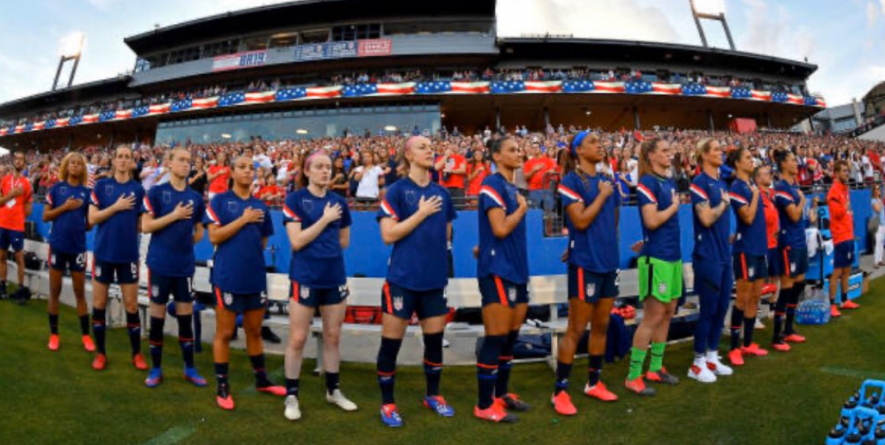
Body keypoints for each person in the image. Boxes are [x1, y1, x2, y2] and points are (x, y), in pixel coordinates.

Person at [375, 136, 457, 427]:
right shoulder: (396, 191)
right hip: (402, 280)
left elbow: (447, 235)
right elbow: (388, 235)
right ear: (408, 155)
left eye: (431, 147)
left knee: (434, 344)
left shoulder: (443, 194)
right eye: (422, 147)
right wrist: (421, 214)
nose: (429, 150)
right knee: (391, 345)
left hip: (434, 282)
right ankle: (388, 404)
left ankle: (433, 396)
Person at [204, 155, 285, 410]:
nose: (248, 172)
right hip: (227, 277)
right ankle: (222, 385)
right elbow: (214, 237)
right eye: (242, 167)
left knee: (254, 331)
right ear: (231, 171)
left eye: (251, 168)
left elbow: (261, 243)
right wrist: (243, 220)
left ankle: (261, 379)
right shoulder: (220, 201)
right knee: (226, 333)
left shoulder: (260, 206)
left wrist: (249, 221)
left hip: (254, 277)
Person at [282, 149, 357, 421]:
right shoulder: (296, 199)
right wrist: (324, 220)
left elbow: (344, 241)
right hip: (305, 276)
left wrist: (325, 245)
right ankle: (291, 396)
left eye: (328, 167)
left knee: (333, 336)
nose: (326, 171)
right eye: (320, 167)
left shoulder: (339, 201)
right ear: (307, 171)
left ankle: (333, 390)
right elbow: (297, 241)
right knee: (298, 338)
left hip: (334, 276)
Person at [551, 131, 620, 416]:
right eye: (592, 142)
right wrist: (602, 196)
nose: (599, 144)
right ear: (578, 151)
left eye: (600, 141)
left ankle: (594, 382)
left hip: (607, 261)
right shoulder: (570, 182)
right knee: (576, 329)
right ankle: (560, 391)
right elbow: (578, 221)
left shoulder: (608, 181)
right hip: (585, 263)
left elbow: (612, 220)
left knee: (601, 326)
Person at [141, 148, 208, 388]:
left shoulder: (196, 197)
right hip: (159, 263)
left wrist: (187, 241)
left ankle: (189, 368)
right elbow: (146, 226)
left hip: (184, 266)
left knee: (185, 319)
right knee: (157, 318)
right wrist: (175, 215)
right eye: (181, 160)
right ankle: (156, 368)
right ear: (168, 164)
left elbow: (200, 229)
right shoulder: (157, 192)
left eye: (188, 161)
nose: (185, 164)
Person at [474, 136, 530, 423]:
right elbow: (499, 229)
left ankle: (500, 394)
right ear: (496, 156)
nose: (518, 153)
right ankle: (484, 404)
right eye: (511, 149)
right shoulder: (492, 184)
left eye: (519, 149)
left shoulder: (511, 187)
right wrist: (521, 209)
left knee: (510, 339)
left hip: (518, 271)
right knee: (495, 338)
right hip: (498, 272)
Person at [626, 138, 681, 396]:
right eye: (665, 151)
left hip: (673, 256)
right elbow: (651, 220)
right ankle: (633, 375)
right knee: (652, 316)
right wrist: (673, 207)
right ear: (650, 156)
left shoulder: (667, 181)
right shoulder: (647, 182)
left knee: (668, 311)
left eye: (670, 150)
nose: (670, 154)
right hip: (657, 258)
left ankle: (655, 368)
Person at [88, 145, 146, 371]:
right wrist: (117, 207)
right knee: (99, 304)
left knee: (131, 305)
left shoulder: (138, 190)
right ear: (113, 160)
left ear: (132, 162)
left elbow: (142, 224)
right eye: (119, 156)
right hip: (104, 253)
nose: (123, 160)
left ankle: (137, 354)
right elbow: (92, 218)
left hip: (128, 255)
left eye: (127, 157)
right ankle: (100, 353)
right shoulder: (102, 186)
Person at [687, 139, 733, 383]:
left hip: (724, 254)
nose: (721, 152)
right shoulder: (699, 183)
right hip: (708, 256)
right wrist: (724, 204)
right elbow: (706, 218)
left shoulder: (721, 181)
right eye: (716, 149)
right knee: (708, 309)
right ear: (704, 155)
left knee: (722, 306)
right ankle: (696, 362)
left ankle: (712, 356)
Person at [42, 153, 93, 352]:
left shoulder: (87, 193)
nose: (75, 166)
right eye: (72, 162)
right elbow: (46, 216)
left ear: (82, 169)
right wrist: (65, 207)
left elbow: (89, 225)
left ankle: (86, 336)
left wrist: (85, 217)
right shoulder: (56, 189)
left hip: (78, 248)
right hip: (58, 246)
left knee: (80, 293)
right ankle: (54, 334)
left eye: (79, 164)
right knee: (55, 292)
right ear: (66, 166)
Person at [726, 147, 770, 368]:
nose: (751, 161)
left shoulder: (750, 186)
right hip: (745, 250)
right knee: (742, 299)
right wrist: (754, 196)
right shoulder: (737, 187)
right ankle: (734, 347)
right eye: (747, 158)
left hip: (760, 248)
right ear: (737, 164)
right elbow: (748, 217)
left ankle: (748, 343)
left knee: (755, 298)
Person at [771, 149, 815, 351]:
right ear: (783, 165)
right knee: (787, 288)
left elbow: (801, 218)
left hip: (799, 240)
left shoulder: (794, 187)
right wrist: (803, 201)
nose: (796, 164)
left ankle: (789, 329)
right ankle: (776, 335)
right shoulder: (781, 188)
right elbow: (794, 216)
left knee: (799, 285)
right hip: (788, 243)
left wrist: (808, 213)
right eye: (792, 161)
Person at [827, 160, 860, 316]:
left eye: (848, 171)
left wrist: (848, 213)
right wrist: (846, 209)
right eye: (844, 171)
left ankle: (845, 300)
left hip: (848, 234)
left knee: (847, 269)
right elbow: (836, 214)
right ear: (837, 173)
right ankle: (832, 304)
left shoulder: (844, 189)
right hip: (840, 236)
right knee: (837, 271)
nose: (847, 174)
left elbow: (845, 212)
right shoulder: (834, 191)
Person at [0, 151, 34, 301]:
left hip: (16, 226)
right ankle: (2, 286)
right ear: (13, 161)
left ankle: (20, 288)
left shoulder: (26, 184)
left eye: (21, 159)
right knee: (1, 256)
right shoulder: (4, 181)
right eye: (17, 159)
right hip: (2, 224)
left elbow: (28, 209)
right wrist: (11, 196)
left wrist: (17, 216)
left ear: (24, 163)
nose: (18, 161)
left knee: (19, 258)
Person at [872, 185, 885, 268]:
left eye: (878, 189)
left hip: (883, 224)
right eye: (876, 189)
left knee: (881, 243)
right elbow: (878, 209)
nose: (878, 190)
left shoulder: (879, 200)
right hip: (877, 224)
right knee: (877, 243)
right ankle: (875, 262)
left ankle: (880, 259)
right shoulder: (873, 201)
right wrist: (880, 201)